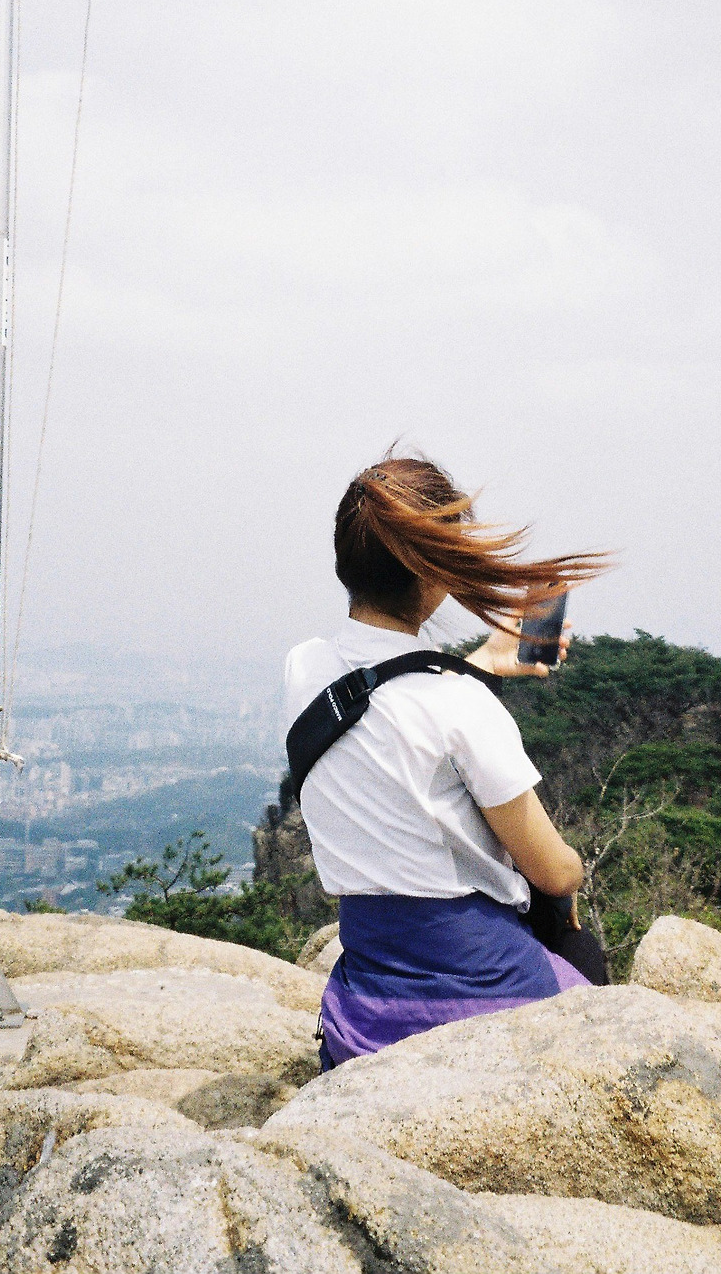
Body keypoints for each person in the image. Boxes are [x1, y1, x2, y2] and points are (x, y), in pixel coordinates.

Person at [283, 453, 610, 1068]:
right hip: (481, 995)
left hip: (368, 1011)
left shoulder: (304, 669)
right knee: (580, 949)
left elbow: (389, 704)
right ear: (434, 571)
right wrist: (573, 871)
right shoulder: (462, 707)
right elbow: (555, 873)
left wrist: (483, 663)